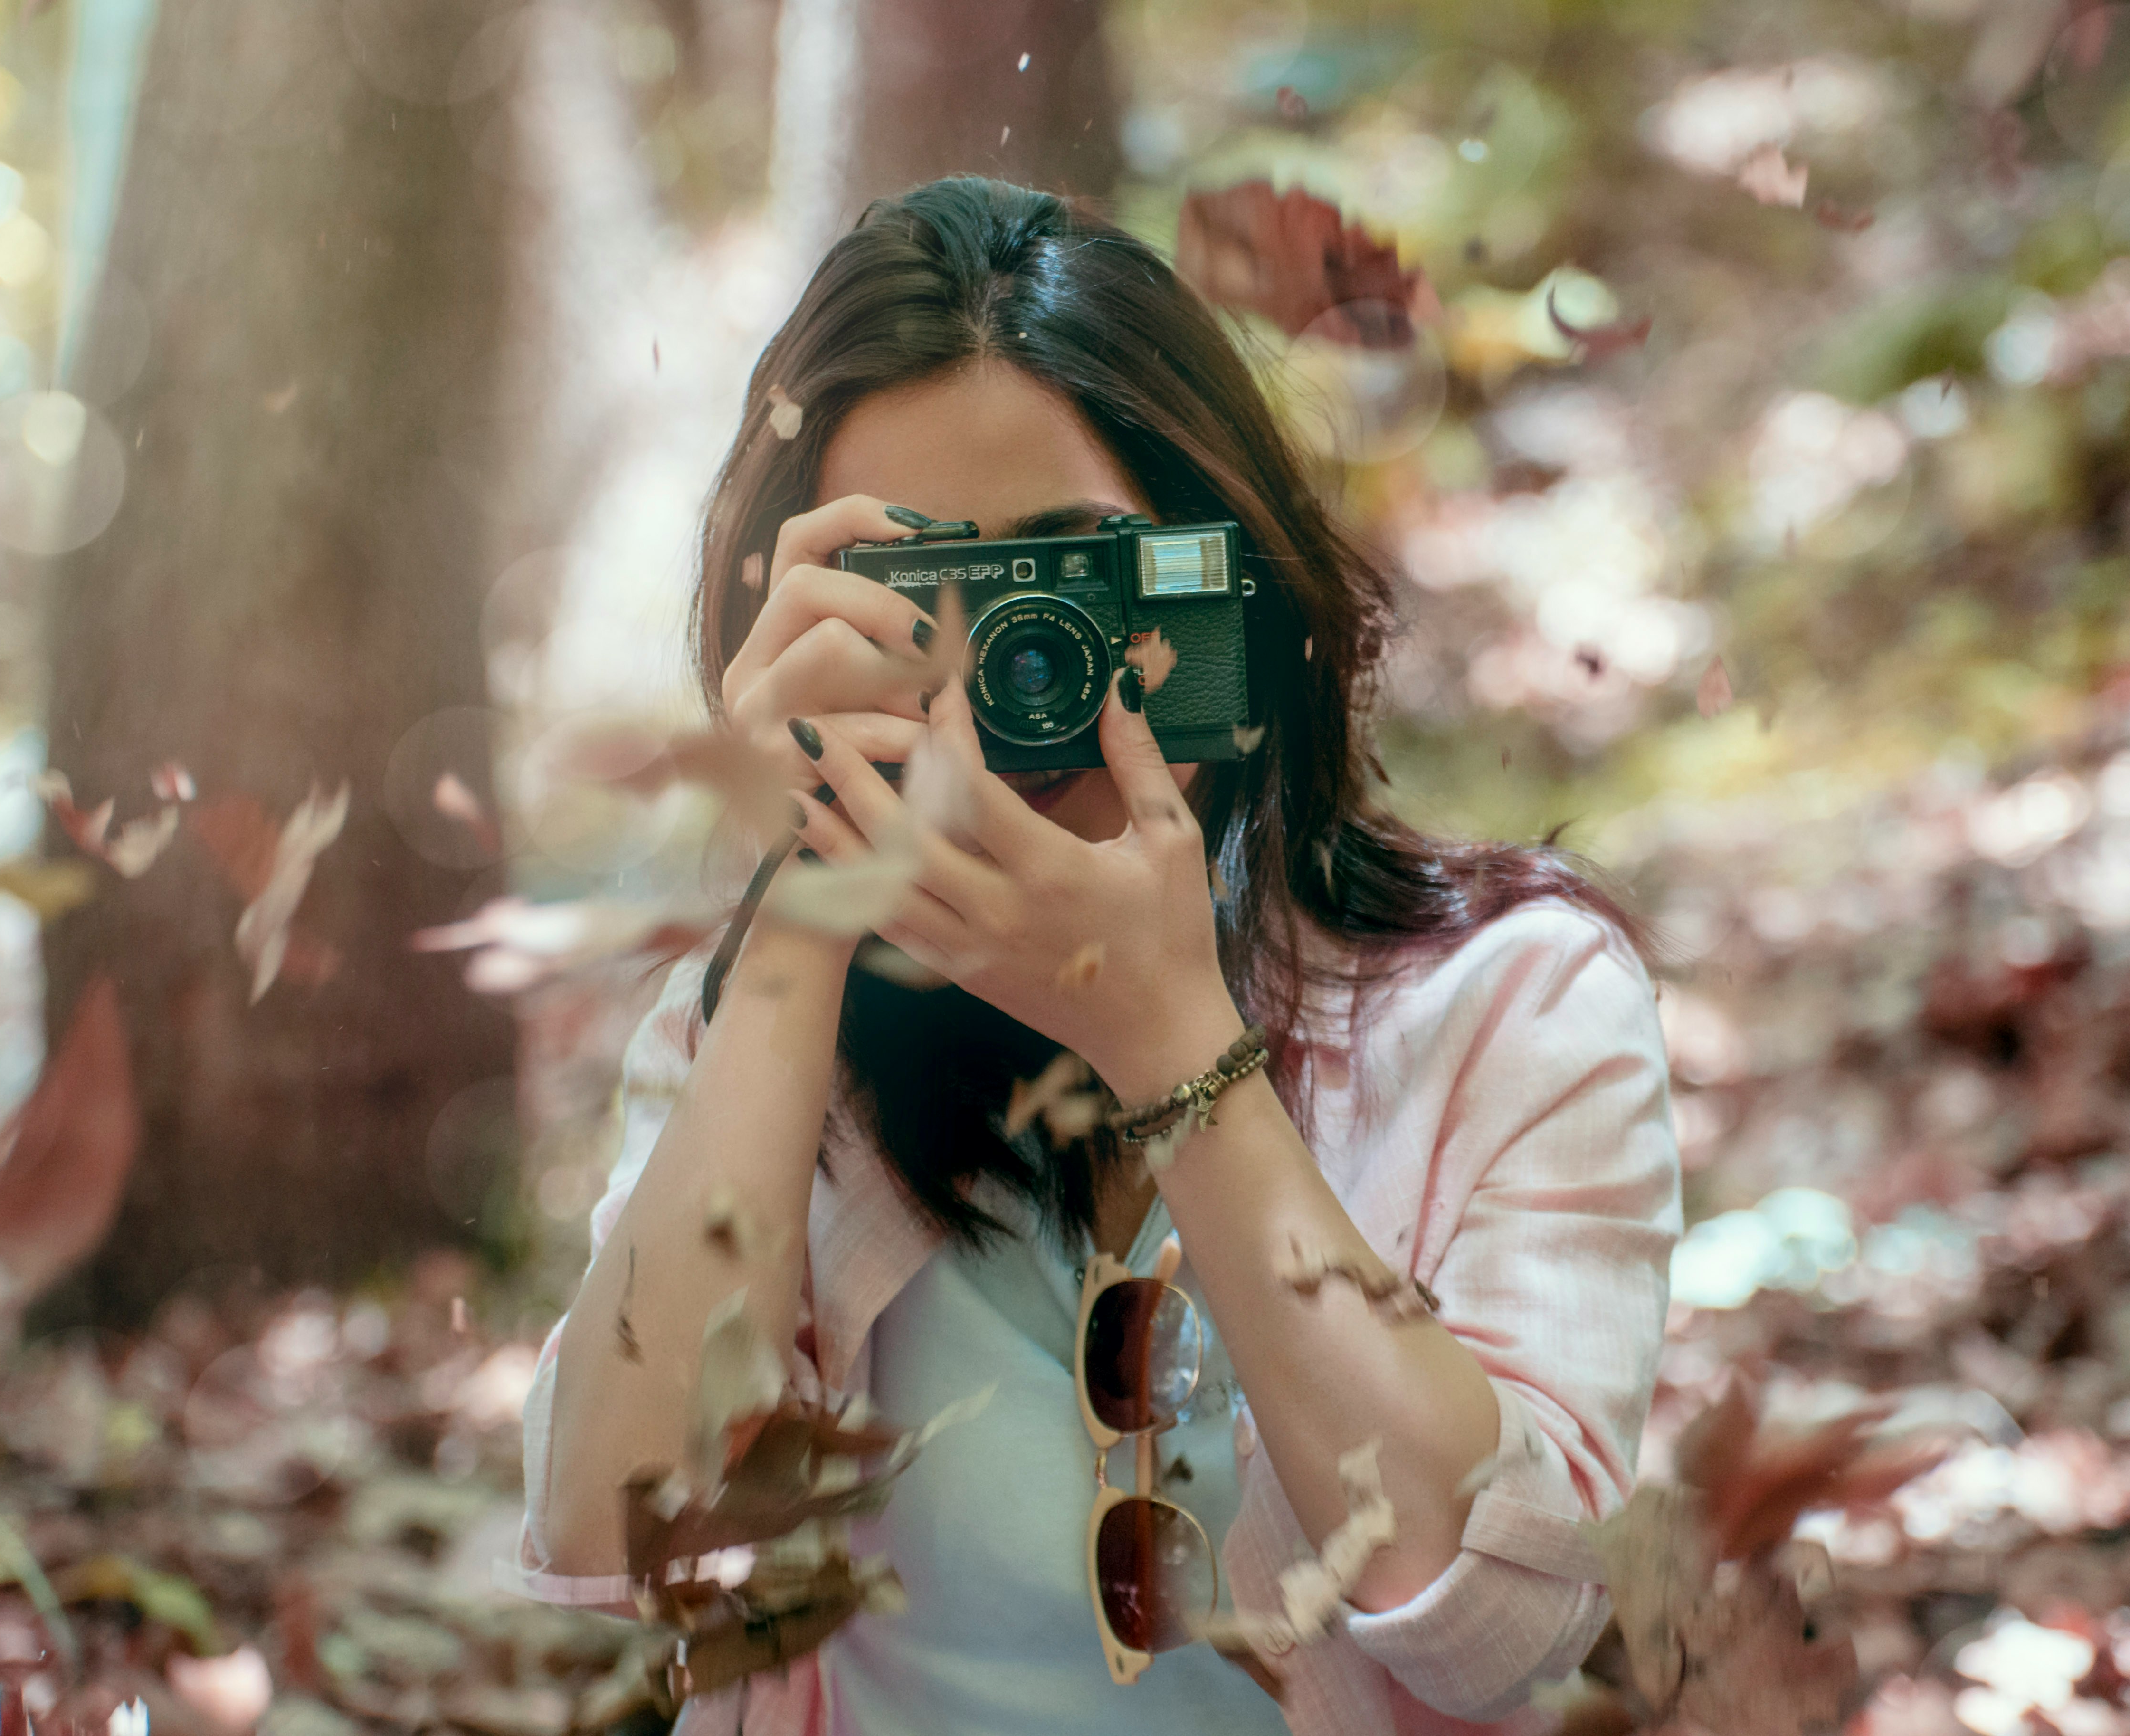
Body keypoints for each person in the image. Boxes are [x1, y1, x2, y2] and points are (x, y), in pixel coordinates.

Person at [510, 175, 1683, 1736]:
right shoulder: (760, 1044)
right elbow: (619, 1536)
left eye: (1072, 579)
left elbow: (1502, 1633)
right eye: (928, 599)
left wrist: (1177, 1061)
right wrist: (797, 905)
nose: (1016, 669)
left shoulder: (1512, 1008)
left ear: (1233, 587)